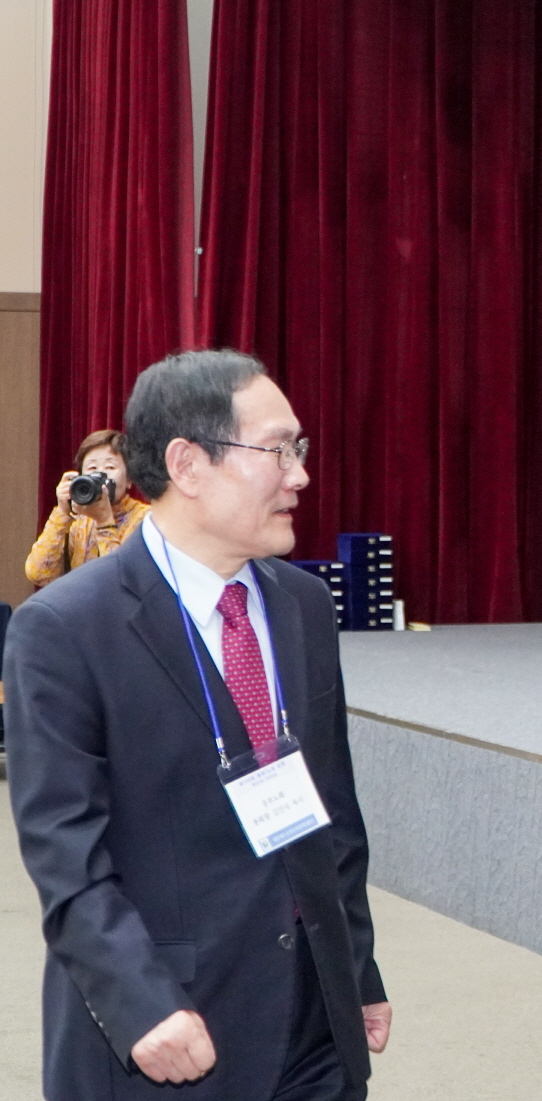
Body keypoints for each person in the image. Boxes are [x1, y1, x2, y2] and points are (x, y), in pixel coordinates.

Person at [3, 350, 390, 1101]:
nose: (300, 475)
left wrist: (357, 969)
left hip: (314, 1026)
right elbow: (64, 851)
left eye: (300, 448)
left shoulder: (303, 605)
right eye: (277, 450)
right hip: (167, 1030)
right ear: (187, 463)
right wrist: (142, 1002)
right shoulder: (65, 628)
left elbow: (332, 813)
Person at [24, 428, 151, 586]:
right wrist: (62, 512)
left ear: (129, 479)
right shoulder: (78, 520)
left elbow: (121, 582)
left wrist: (104, 522)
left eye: (110, 467)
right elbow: (38, 573)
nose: (100, 475)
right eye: (92, 468)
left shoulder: (147, 520)